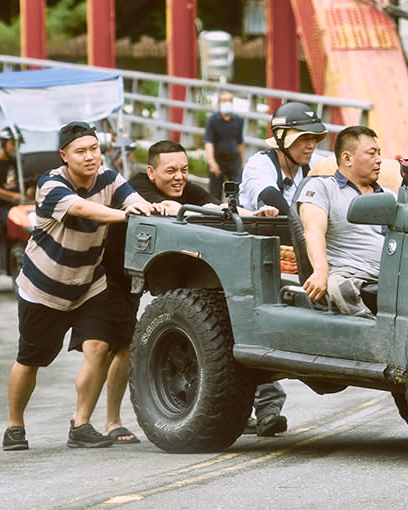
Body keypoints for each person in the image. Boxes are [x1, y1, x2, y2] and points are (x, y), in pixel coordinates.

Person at [100, 139, 284, 441]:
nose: (179, 177)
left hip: (158, 277)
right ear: (150, 172)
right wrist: (181, 207)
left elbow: (217, 206)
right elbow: (168, 210)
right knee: (111, 347)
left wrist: (254, 213)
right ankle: (103, 422)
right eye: (170, 170)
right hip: (116, 276)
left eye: (184, 170)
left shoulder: (186, 189)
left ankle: (235, 411)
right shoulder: (136, 188)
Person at [3, 121, 158, 451]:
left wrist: (149, 207)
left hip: (89, 283)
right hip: (43, 287)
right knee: (30, 359)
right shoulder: (50, 184)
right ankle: (15, 425)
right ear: (64, 155)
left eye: (95, 149)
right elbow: (84, 208)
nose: (90, 157)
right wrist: (125, 214)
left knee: (99, 348)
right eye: (81, 151)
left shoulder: (110, 178)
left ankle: (81, 424)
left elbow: (134, 199)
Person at [298, 126, 394, 319]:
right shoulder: (321, 188)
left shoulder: (389, 195)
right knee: (337, 285)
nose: (379, 159)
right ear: (347, 158)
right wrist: (320, 270)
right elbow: (313, 231)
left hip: (394, 271)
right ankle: (371, 329)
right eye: (371, 153)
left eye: (379, 153)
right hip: (350, 273)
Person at [239, 101, 327, 215]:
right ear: (282, 139)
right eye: (304, 138)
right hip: (258, 231)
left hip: (300, 231)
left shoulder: (315, 162)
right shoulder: (259, 164)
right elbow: (270, 197)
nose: (311, 145)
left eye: (315, 138)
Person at [204, 91, 244, 200]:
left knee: (238, 192)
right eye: (224, 100)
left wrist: (242, 161)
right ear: (218, 104)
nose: (227, 103)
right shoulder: (212, 120)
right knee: (215, 193)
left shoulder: (238, 120)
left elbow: (240, 141)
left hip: (234, 160)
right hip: (218, 159)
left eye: (230, 100)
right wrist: (212, 162)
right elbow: (209, 141)